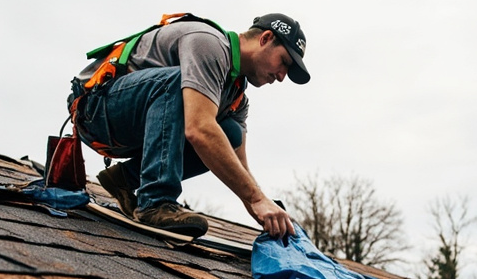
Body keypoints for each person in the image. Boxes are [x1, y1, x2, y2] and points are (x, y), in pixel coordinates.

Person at [69, 13, 306, 239]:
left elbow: (238, 161)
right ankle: (155, 201)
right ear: (265, 38)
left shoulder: (237, 97)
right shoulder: (209, 44)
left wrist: (261, 208)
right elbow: (199, 129)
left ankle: (124, 179)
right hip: (95, 110)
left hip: (132, 130)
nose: (282, 76)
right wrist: (256, 198)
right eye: (284, 62)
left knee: (230, 135)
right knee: (180, 87)